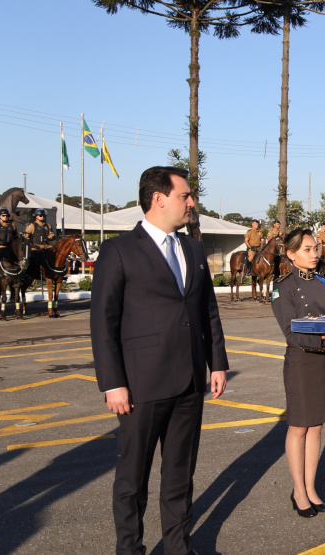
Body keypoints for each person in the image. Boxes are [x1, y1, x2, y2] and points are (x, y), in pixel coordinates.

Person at [90, 166, 228, 555]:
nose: (191, 202)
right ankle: (129, 549)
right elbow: (104, 321)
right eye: (185, 195)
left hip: (189, 382)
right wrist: (112, 382)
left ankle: (177, 545)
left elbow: (207, 312)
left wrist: (217, 363)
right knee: (133, 478)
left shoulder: (193, 248)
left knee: (180, 474)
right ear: (158, 198)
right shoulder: (119, 250)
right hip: (140, 384)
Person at [271, 228, 325, 517]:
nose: (314, 254)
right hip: (301, 360)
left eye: (316, 248)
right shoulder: (282, 286)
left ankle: (311, 488)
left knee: (317, 426)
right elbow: (291, 332)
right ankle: (298, 491)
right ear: (291, 254)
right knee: (299, 426)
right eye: (307, 249)